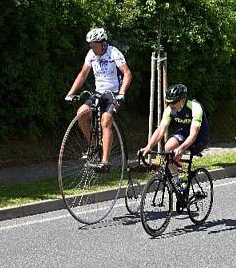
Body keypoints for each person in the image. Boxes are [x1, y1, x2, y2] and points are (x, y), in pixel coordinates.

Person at [65, 27, 132, 173]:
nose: (92, 48)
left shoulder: (114, 53)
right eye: (90, 45)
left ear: (103, 43)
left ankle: (105, 161)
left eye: (94, 45)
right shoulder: (91, 54)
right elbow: (83, 75)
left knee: (106, 120)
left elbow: (127, 74)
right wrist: (71, 93)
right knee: (81, 113)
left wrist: (121, 93)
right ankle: (94, 144)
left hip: (113, 93)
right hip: (98, 93)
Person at [140, 84, 210, 180]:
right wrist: (149, 146)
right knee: (168, 148)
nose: (170, 105)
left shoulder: (195, 108)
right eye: (168, 102)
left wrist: (181, 149)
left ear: (182, 100)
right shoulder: (169, 110)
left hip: (199, 137)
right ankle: (177, 181)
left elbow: (193, 135)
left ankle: (185, 174)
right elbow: (161, 130)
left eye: (173, 102)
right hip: (185, 132)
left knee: (178, 152)